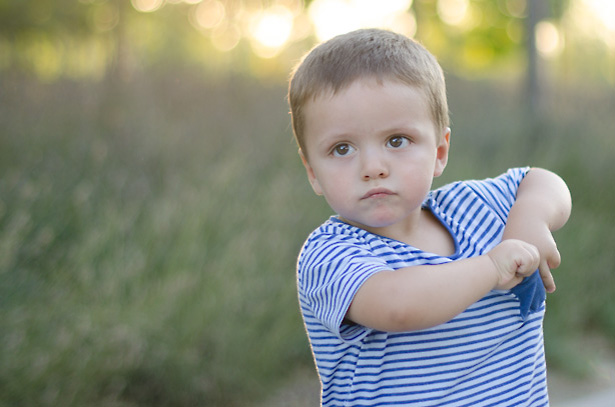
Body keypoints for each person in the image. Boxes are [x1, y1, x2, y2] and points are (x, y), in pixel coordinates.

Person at [288, 28, 572, 406]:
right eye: (342, 149)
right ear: (312, 172)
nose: (373, 167)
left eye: (397, 140)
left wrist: (531, 220)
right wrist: (491, 267)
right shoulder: (330, 254)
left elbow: (541, 181)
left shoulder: (476, 208)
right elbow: (399, 306)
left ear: (439, 151)